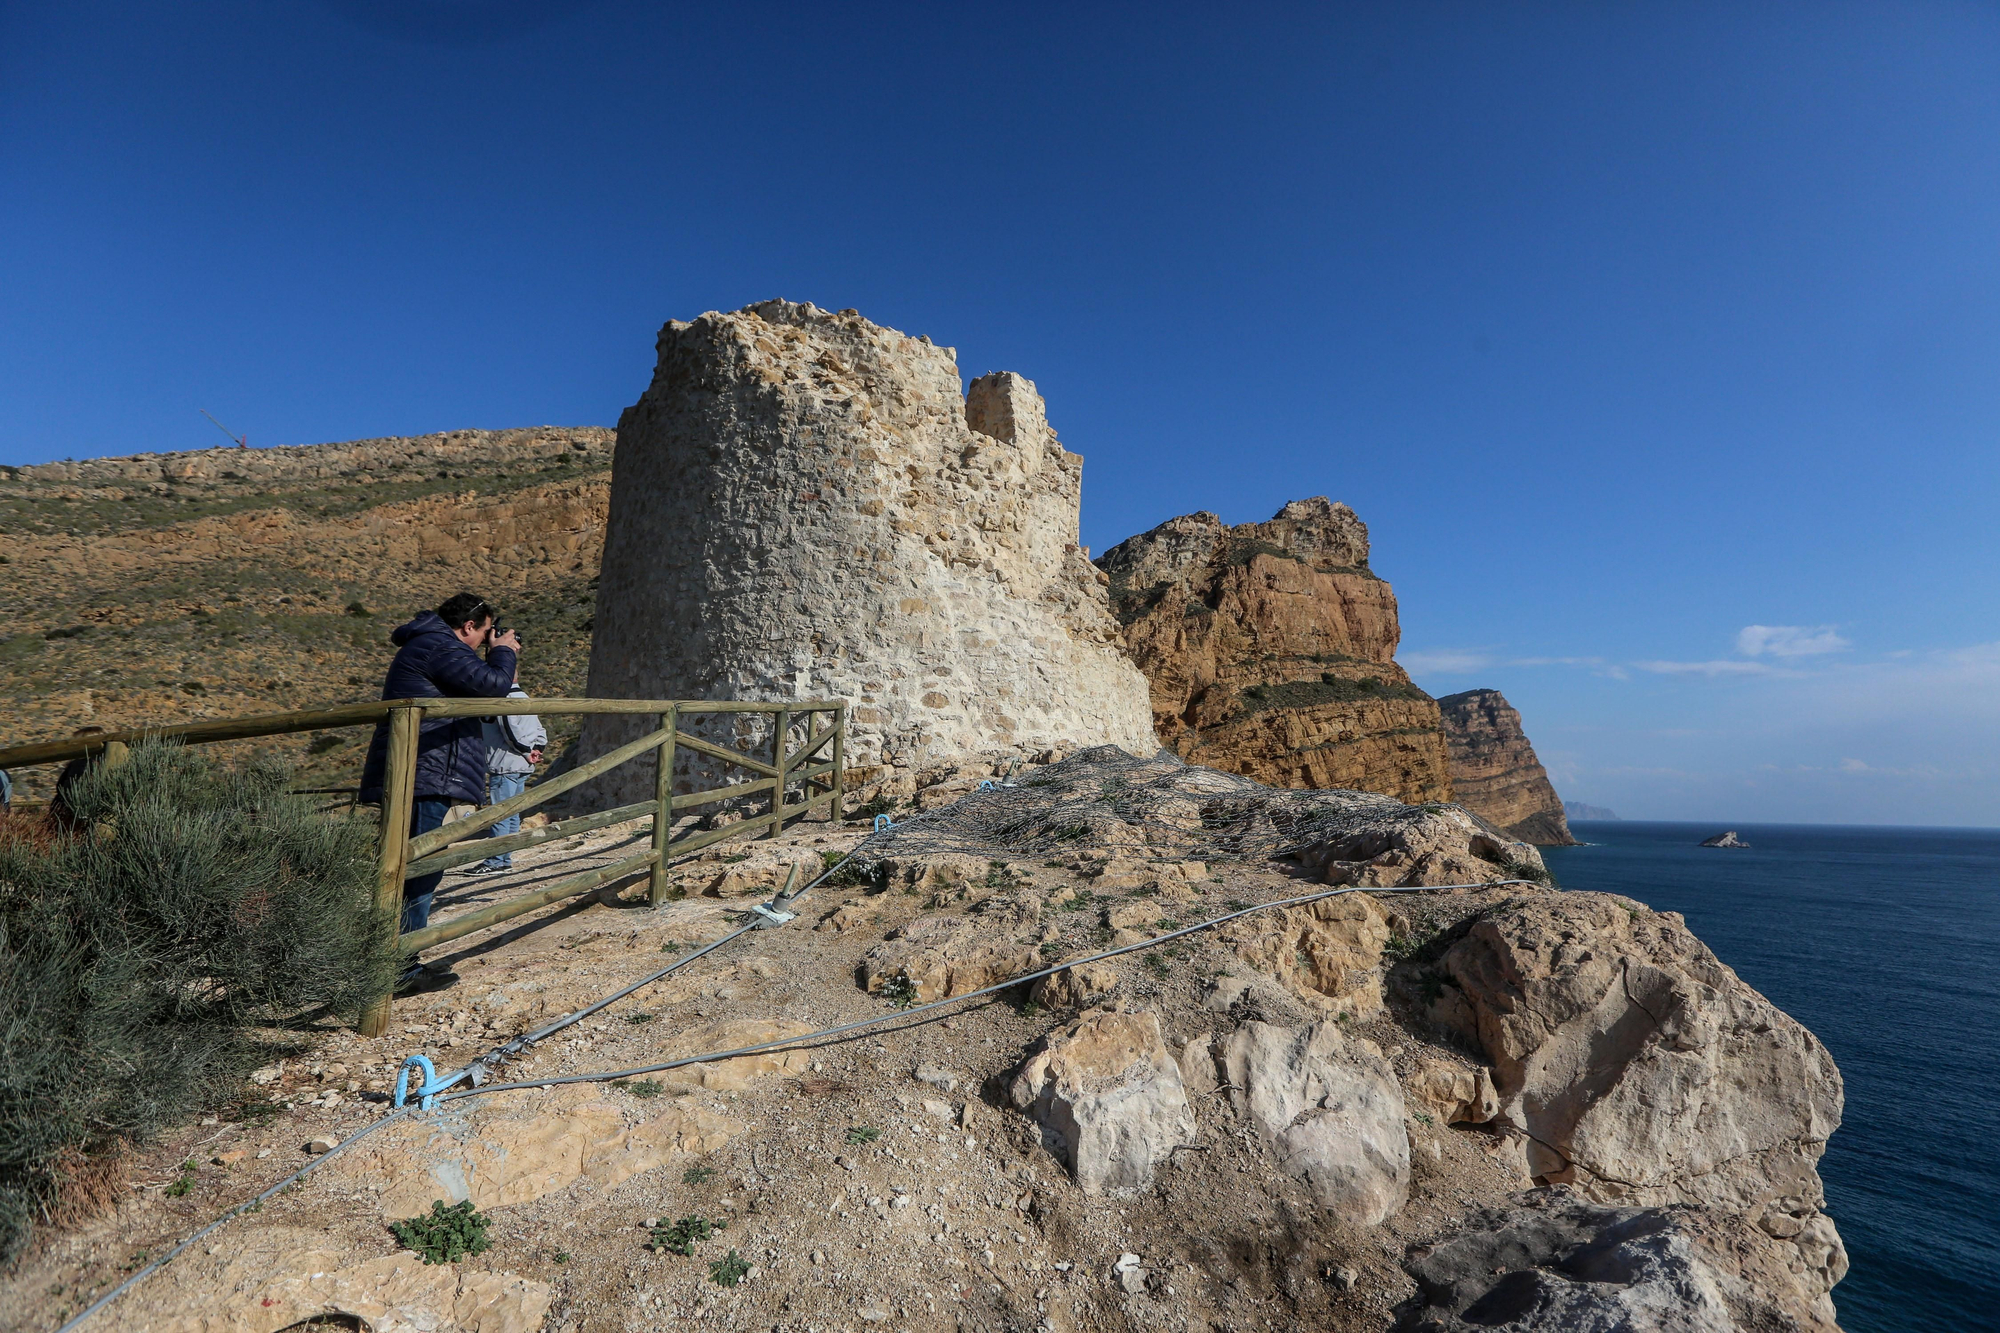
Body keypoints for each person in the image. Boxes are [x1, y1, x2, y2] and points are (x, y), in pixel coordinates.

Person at [358, 593, 519, 978]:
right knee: (418, 871)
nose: (484, 641)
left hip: (423, 773)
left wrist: (497, 654)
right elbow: (495, 685)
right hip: (425, 776)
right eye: (483, 634)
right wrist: (504, 651)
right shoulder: (438, 647)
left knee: (417, 869)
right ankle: (398, 970)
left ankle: (398, 963)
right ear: (468, 627)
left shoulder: (434, 647)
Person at [465, 673, 546, 876]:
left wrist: (527, 752)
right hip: (522, 765)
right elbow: (540, 731)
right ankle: (505, 858)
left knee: (500, 814)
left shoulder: (505, 700)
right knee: (512, 814)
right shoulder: (525, 698)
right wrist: (536, 750)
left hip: (505, 764)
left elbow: (511, 732)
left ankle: (496, 860)